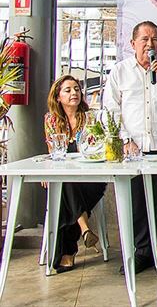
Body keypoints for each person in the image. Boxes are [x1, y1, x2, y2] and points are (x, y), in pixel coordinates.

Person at [103, 20, 157, 274]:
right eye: (144, 39)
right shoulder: (120, 71)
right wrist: (124, 139)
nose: (149, 44)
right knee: (137, 203)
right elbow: (110, 110)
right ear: (133, 43)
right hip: (133, 148)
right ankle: (142, 253)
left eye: (154, 40)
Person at [44, 75, 106, 273]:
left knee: (63, 183)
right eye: (68, 90)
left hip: (91, 178)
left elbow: (96, 149)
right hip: (68, 180)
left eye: (77, 89)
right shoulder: (51, 120)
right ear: (57, 96)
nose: (74, 93)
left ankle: (67, 253)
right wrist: (46, 172)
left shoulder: (90, 117)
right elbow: (53, 153)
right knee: (64, 181)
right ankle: (84, 229)